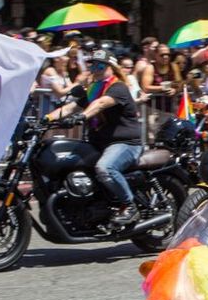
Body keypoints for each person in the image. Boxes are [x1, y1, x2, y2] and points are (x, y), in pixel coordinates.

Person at [45, 50, 144, 225]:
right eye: (93, 65)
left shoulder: (118, 87)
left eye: (100, 65)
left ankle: (129, 206)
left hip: (125, 143)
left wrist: (82, 117)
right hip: (99, 143)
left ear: (111, 68)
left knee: (105, 168)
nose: (96, 69)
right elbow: (69, 107)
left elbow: (100, 104)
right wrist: (46, 119)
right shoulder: (93, 90)